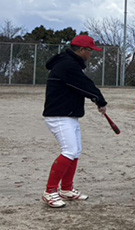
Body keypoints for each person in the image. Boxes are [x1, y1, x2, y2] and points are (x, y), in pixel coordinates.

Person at [41, 35, 108, 208]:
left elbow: (81, 85)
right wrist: (99, 100)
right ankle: (50, 191)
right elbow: (85, 85)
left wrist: (96, 99)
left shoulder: (69, 63)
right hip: (59, 115)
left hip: (68, 114)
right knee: (69, 151)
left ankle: (67, 188)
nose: (91, 55)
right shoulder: (68, 65)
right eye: (90, 51)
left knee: (76, 151)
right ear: (82, 50)